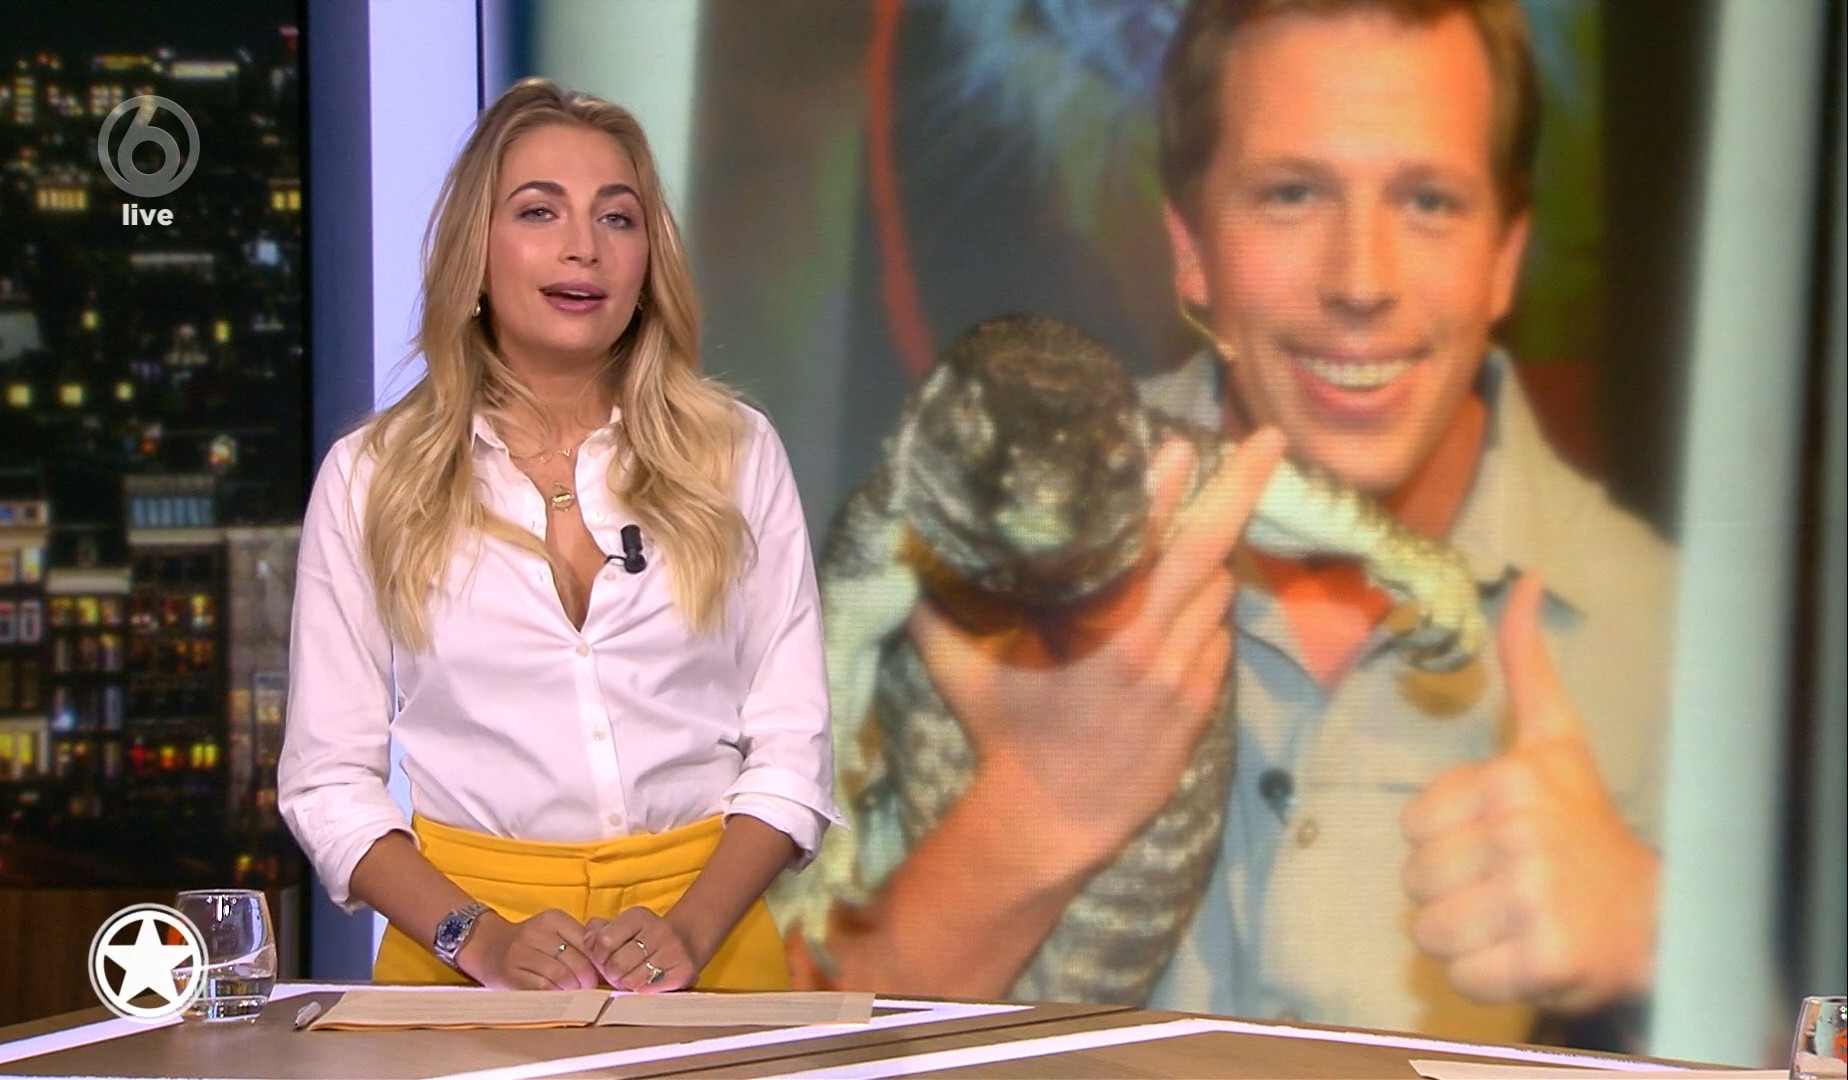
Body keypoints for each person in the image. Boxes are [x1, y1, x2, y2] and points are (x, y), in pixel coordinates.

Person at [785, 0, 1674, 1045]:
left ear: (1506, 255)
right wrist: (1031, 815)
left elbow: (1816, 1036)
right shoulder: (971, 513)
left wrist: (1666, 941)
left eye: (1428, 201)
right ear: (1192, 247)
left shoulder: (1667, 621)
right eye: (1291, 194)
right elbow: (751, 1049)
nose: (1361, 282)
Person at [278, 80, 840, 994]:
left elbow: (792, 745)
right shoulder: (371, 477)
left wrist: (690, 931)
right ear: (475, 248)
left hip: (706, 939)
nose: (584, 246)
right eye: (539, 211)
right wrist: (479, 940)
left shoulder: (734, 453)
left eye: (617, 218)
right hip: (459, 948)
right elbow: (327, 782)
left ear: (649, 261)